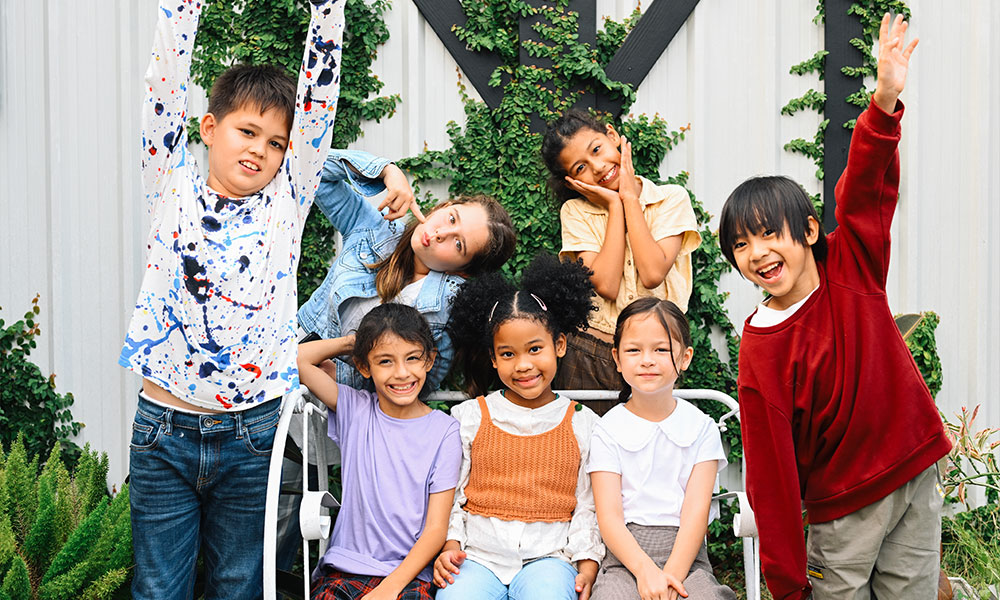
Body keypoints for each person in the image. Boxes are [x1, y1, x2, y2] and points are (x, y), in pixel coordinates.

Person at [717, 14, 951, 600]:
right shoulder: (760, 350)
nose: (758, 253)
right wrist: (788, 583)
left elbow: (866, 183)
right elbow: (770, 476)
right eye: (740, 245)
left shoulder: (853, 266)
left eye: (770, 233)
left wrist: (886, 99)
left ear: (811, 230)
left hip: (914, 468)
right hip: (841, 509)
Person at [119, 0, 344, 597]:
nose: (260, 150)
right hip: (163, 430)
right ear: (209, 129)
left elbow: (319, 102)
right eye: (248, 132)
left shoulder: (288, 202)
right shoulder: (170, 185)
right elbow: (164, 84)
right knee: (158, 587)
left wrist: (328, 10)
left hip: (252, 434)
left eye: (275, 143)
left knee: (239, 584)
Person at [432, 254, 604, 600]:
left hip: (550, 558)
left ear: (559, 345)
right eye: (508, 354)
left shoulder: (584, 423)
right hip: (477, 556)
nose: (523, 365)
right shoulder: (469, 417)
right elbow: (452, 493)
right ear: (493, 359)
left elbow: (588, 504)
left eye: (535, 349)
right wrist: (451, 544)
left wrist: (587, 563)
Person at [297, 150, 517, 393]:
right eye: (452, 219)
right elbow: (310, 166)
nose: (440, 233)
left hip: (338, 407)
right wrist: (386, 170)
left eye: (458, 245)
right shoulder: (372, 230)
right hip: (280, 356)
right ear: (445, 205)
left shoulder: (447, 308)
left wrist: (341, 376)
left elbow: (422, 382)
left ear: (463, 271)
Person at [299, 303, 462, 600]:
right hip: (346, 571)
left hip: (409, 576)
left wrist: (389, 589)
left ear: (429, 360)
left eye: (412, 358)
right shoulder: (355, 408)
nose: (402, 373)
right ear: (364, 366)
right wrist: (355, 342)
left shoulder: (445, 430)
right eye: (385, 361)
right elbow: (295, 359)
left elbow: (436, 528)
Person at [541, 112, 701, 393]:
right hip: (591, 353)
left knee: (653, 434)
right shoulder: (576, 212)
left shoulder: (670, 199)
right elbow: (607, 285)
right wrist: (615, 206)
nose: (599, 167)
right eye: (581, 168)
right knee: (590, 437)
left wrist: (628, 198)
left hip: (658, 352)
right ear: (572, 182)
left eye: (597, 149)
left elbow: (653, 273)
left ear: (612, 136)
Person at [589, 298, 735, 600]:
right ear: (616, 358)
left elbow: (696, 515)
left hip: (686, 553)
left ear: (685, 357)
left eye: (661, 349)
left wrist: (670, 577)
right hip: (625, 557)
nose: (647, 360)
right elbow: (610, 518)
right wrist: (645, 571)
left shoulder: (701, 428)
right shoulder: (606, 429)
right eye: (634, 350)